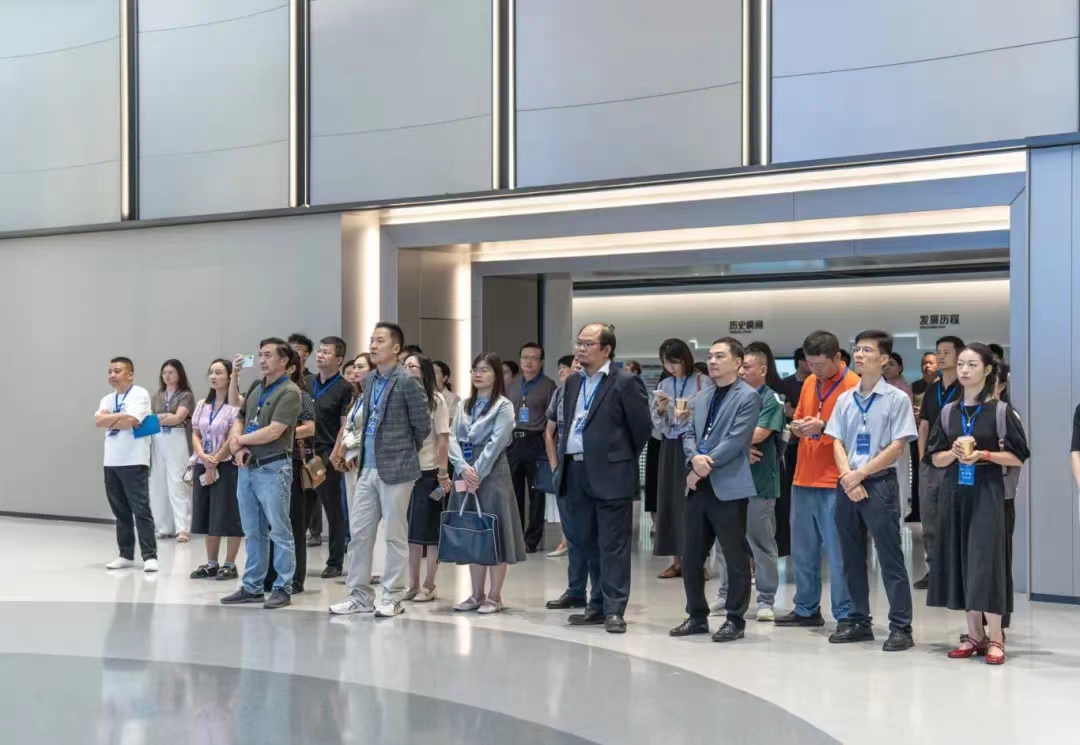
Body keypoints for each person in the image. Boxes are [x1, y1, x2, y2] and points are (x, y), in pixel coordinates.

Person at [926, 343, 1028, 665]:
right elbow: (934, 458)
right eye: (961, 364)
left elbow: (1018, 456)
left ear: (987, 370)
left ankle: (996, 637)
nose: (964, 370)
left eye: (972, 364)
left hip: (989, 492)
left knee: (987, 563)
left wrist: (983, 454)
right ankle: (974, 635)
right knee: (962, 561)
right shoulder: (949, 412)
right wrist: (954, 453)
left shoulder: (1000, 411)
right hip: (956, 493)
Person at [329, 323, 431, 618]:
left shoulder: (408, 381)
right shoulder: (370, 379)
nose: (373, 345)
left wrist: (401, 450)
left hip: (397, 469)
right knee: (360, 534)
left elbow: (422, 426)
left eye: (380, 341)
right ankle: (360, 595)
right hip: (366, 467)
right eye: (371, 340)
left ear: (396, 348)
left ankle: (393, 596)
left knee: (395, 536)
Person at [555, 323, 651, 633]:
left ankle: (615, 610)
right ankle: (595, 606)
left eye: (588, 344)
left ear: (607, 350)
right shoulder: (573, 383)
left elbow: (642, 429)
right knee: (587, 544)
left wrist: (618, 458)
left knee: (613, 546)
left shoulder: (625, 382)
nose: (580, 349)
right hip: (576, 470)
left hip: (611, 475)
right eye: (579, 343)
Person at [825, 331, 918, 651]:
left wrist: (861, 474)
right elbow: (836, 441)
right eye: (857, 349)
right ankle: (858, 621)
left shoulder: (897, 399)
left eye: (867, 350)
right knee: (850, 557)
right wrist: (848, 477)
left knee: (890, 557)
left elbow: (898, 446)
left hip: (879, 484)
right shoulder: (845, 399)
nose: (859, 355)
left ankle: (901, 627)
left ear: (884, 359)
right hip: (847, 484)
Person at [670, 338, 760, 643]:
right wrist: (693, 460)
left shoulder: (747, 397)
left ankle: (735, 619)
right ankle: (697, 616)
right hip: (698, 487)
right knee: (692, 555)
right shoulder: (701, 396)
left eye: (720, 356)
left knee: (734, 557)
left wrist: (702, 466)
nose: (712, 361)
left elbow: (737, 440)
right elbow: (687, 433)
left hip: (729, 487)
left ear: (737, 362)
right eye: (709, 356)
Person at [776, 330, 858, 629]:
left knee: (838, 554)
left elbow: (859, 433)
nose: (815, 370)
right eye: (810, 364)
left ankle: (846, 614)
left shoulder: (854, 386)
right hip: (803, 477)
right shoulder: (810, 381)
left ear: (838, 357)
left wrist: (822, 425)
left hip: (835, 480)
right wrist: (798, 427)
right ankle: (806, 608)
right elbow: (799, 416)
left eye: (821, 364)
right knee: (802, 551)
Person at [221, 338, 302, 610]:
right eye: (260, 355)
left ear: (284, 361)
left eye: (268, 355)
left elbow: (274, 431)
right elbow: (240, 416)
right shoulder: (257, 386)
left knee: (279, 530)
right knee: (252, 531)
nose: (262, 360)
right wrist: (237, 444)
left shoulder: (290, 392)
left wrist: (239, 441)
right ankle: (252, 586)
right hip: (248, 467)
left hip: (274, 467)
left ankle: (282, 587)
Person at [447, 353, 528, 614]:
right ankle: (476, 594)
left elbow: (497, 442)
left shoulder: (503, 406)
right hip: (465, 469)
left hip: (492, 472)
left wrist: (476, 472)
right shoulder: (464, 404)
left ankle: (494, 596)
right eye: (474, 370)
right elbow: (452, 438)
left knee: (494, 529)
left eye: (484, 370)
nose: (478, 374)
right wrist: (462, 468)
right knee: (472, 530)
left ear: (496, 375)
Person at [712, 342, 785, 621]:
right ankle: (727, 594)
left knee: (760, 542)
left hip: (759, 483)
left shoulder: (771, 399)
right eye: (740, 366)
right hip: (729, 481)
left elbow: (759, 433)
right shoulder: (729, 395)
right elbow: (714, 432)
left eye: (747, 367)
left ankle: (765, 599)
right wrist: (740, 447)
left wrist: (734, 442)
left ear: (762, 370)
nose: (741, 371)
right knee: (724, 543)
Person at [651, 338, 714, 579]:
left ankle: (698, 562)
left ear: (685, 359)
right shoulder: (664, 384)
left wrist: (691, 415)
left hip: (695, 447)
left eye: (674, 362)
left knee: (694, 503)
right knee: (670, 502)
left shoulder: (703, 381)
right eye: (666, 363)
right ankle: (676, 561)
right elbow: (658, 423)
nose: (671, 368)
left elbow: (711, 416)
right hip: (670, 445)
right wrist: (660, 409)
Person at [95, 357, 158, 572]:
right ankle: (125, 554)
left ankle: (150, 556)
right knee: (120, 510)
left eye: (117, 371)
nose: (112, 375)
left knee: (140, 509)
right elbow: (98, 421)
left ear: (130, 374)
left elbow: (132, 420)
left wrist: (112, 418)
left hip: (134, 459)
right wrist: (120, 417)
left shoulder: (139, 394)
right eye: (110, 371)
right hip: (111, 461)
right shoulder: (107, 398)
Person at [264, 349, 317, 595]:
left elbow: (310, 428)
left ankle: (295, 578)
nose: (264, 362)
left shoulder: (300, 395)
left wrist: (281, 431)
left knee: (293, 524)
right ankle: (270, 575)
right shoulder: (266, 394)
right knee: (271, 524)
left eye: (270, 357)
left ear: (290, 368)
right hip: (268, 463)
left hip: (292, 463)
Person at [914, 335, 965, 590]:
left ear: (959, 355)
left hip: (957, 461)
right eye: (938, 352)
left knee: (955, 518)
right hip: (930, 464)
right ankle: (934, 571)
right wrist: (923, 459)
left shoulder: (965, 387)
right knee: (930, 520)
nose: (941, 356)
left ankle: (957, 572)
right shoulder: (932, 390)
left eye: (946, 352)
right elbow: (923, 425)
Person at [402, 353, 452, 602]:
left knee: (430, 532)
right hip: (405, 472)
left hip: (429, 472)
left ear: (424, 371)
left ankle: (429, 584)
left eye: (412, 366)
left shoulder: (436, 400)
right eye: (405, 365)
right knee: (410, 532)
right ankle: (412, 583)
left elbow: (443, 439)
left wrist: (443, 472)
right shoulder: (401, 396)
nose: (407, 369)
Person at [302, 336, 352, 578]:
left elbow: (345, 425)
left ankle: (335, 562)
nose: (320, 355)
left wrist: (337, 453)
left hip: (327, 452)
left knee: (332, 509)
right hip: (304, 451)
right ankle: (294, 560)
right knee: (301, 507)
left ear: (339, 359)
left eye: (326, 352)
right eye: (319, 351)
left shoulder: (345, 388)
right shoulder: (307, 382)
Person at [189, 359, 243, 581]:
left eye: (219, 372)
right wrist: (203, 457)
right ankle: (212, 563)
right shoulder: (203, 404)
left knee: (229, 513)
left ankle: (230, 564)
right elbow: (195, 433)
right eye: (211, 372)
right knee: (208, 513)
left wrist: (217, 459)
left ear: (230, 377)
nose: (213, 376)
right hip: (203, 463)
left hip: (228, 465)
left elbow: (234, 434)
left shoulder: (237, 402)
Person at [507, 342, 557, 552]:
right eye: (525, 357)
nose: (529, 361)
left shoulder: (548, 385)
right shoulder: (512, 384)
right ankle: (515, 538)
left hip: (537, 441)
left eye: (534, 358)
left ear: (541, 362)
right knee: (513, 491)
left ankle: (531, 540)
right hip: (514, 441)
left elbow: (554, 417)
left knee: (536, 494)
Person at [149, 359, 196, 541]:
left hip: (177, 438)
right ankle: (163, 526)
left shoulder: (185, 395)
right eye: (164, 372)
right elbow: (149, 419)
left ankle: (182, 527)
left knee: (178, 481)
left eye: (171, 372)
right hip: (157, 439)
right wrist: (165, 416)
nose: (167, 376)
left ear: (179, 374)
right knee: (158, 483)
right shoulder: (157, 395)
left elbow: (178, 418)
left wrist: (160, 417)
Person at [777, 347, 811, 557]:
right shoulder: (785, 384)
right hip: (789, 443)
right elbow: (781, 411)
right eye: (808, 360)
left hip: (811, 444)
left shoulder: (816, 384)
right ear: (800, 361)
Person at [544, 355, 576, 559]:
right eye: (560, 368)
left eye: (567, 367)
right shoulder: (559, 393)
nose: (562, 371)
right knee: (564, 501)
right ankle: (565, 541)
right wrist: (554, 464)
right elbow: (549, 432)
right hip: (563, 455)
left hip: (586, 456)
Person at [884, 352, 914, 520]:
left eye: (892, 364)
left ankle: (899, 519)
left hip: (899, 440)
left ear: (900, 368)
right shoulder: (880, 386)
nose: (887, 367)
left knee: (900, 479)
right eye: (885, 365)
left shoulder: (903, 390)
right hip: (882, 442)